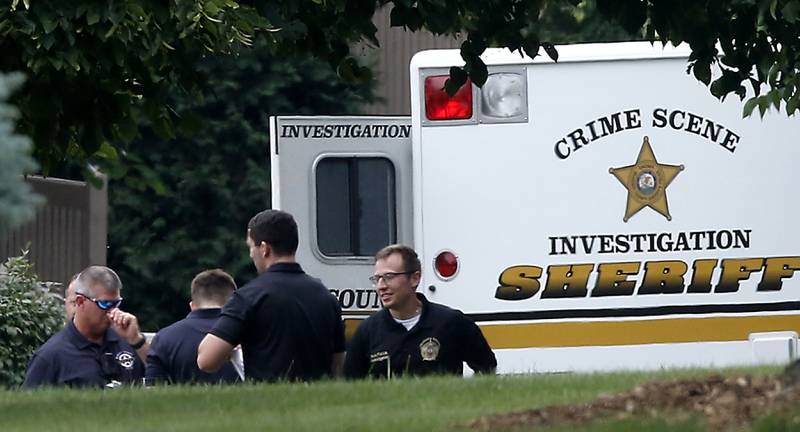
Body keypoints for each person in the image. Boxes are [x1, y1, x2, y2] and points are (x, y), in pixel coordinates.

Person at [197, 209, 345, 381]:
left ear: (265, 249)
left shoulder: (248, 297)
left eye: (251, 247)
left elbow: (206, 360)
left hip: (269, 404)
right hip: (319, 404)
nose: (251, 254)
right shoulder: (326, 297)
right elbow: (338, 365)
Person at [344, 244, 497, 379]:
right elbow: (352, 386)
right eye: (376, 279)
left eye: (388, 277)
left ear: (415, 279)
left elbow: (487, 369)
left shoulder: (452, 323)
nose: (381, 286)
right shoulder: (367, 331)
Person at [23, 266, 147, 388]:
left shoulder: (126, 342)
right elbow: (29, 406)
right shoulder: (51, 357)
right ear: (80, 302)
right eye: (105, 304)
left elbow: (158, 382)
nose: (112, 311)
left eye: (116, 303)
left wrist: (137, 341)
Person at [145, 269, 241, 384]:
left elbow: (153, 390)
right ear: (233, 304)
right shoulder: (250, 334)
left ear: (192, 305)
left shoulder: (164, 338)